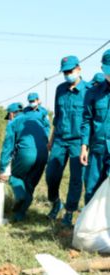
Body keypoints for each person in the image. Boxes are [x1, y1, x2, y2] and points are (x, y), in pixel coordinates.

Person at [45, 55, 87, 227]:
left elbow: (89, 120)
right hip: (60, 139)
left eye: (70, 71)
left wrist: (86, 145)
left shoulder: (88, 91)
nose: (67, 74)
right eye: (65, 72)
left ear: (79, 69)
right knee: (51, 175)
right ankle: (56, 202)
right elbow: (57, 116)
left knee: (76, 178)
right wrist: (51, 138)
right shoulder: (60, 89)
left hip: (78, 141)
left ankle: (69, 212)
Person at [0, 103, 49, 221]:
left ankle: (20, 196)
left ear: (11, 114)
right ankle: (19, 215)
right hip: (43, 155)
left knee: (14, 176)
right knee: (30, 184)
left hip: (26, 153)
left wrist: (2, 169)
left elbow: (7, 147)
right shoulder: (36, 120)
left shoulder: (14, 123)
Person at [80, 50, 110, 204]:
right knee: (92, 189)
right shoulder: (93, 93)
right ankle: (90, 226)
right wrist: (84, 147)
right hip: (97, 148)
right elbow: (86, 121)